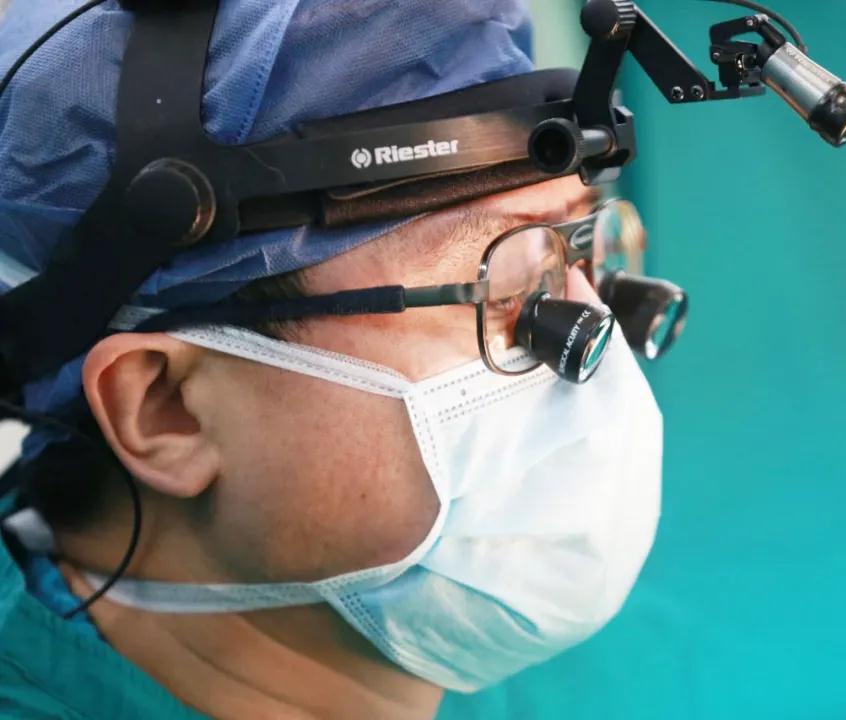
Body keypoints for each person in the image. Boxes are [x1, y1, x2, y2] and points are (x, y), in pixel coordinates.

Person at [0, 2, 663, 719]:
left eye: (584, 250)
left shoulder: (627, 679)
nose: (596, 337)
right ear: (167, 409)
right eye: (509, 288)